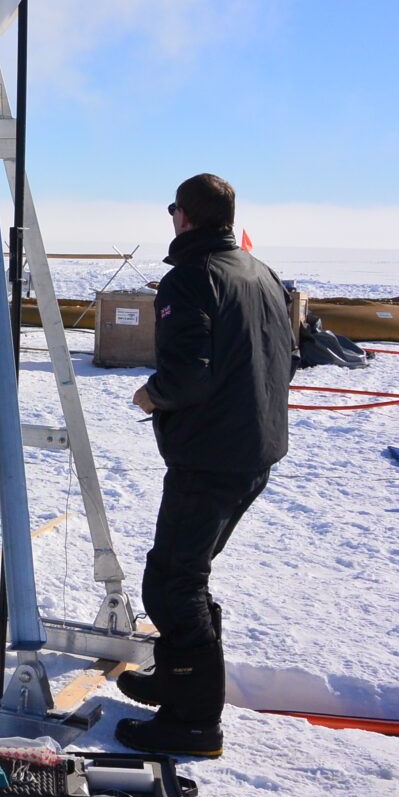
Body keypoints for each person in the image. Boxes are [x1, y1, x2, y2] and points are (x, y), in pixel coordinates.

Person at [117, 174, 295, 757]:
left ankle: (193, 722)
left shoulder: (193, 276)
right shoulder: (258, 270)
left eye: (174, 210)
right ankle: (177, 681)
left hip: (213, 457)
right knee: (183, 574)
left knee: (171, 585)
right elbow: (285, 358)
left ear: (185, 217)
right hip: (251, 451)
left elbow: (187, 376)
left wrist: (152, 395)